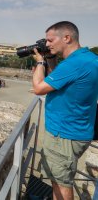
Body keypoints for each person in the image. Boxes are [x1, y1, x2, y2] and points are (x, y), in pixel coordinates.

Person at [32, 21, 98, 199]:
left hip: (64, 135)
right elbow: (60, 79)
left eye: (50, 40)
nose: (46, 45)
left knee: (61, 183)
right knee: (59, 180)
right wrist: (51, 59)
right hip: (77, 130)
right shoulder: (88, 58)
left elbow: (38, 88)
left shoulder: (74, 64)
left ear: (67, 38)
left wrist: (40, 62)